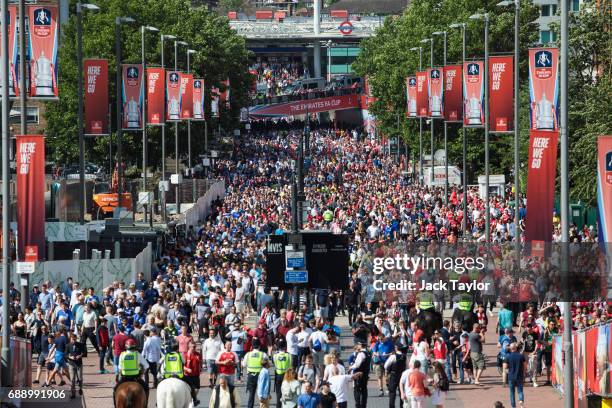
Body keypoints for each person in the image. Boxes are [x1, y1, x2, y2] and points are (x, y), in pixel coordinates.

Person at [244, 339, 269, 408]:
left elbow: (243, 364)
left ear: (252, 346)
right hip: (260, 375)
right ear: (259, 346)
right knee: (262, 393)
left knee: (251, 394)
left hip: (250, 376)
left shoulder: (248, 354)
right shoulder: (263, 354)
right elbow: (268, 364)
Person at [504, 343, 526, 408]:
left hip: (511, 377)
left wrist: (508, 371)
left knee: (512, 393)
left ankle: (513, 406)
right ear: (516, 348)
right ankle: (521, 400)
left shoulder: (507, 356)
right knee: (520, 390)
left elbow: (505, 367)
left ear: (510, 348)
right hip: (519, 376)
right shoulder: (521, 356)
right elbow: (525, 366)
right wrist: (524, 373)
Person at [384, 343, 407, 408]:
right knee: (401, 392)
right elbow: (406, 367)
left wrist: (389, 369)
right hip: (402, 375)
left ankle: (392, 406)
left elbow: (386, 366)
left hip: (394, 375)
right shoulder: (404, 356)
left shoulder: (393, 356)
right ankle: (402, 406)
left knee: (392, 392)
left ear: (396, 348)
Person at [349, 342, 370, 408]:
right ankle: (364, 405)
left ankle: (358, 405)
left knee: (357, 390)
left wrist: (351, 367)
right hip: (365, 374)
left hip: (359, 374)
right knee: (364, 390)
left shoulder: (361, 354)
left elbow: (357, 364)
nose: (357, 345)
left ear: (361, 345)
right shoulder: (368, 353)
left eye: (358, 344)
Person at [273, 340, 293, 408]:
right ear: (285, 347)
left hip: (278, 375)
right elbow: (291, 365)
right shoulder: (288, 355)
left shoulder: (275, 355)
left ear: (278, 347)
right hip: (287, 376)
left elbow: (275, 365)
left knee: (278, 393)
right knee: (287, 393)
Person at [66, 333, 85, 399]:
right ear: (70, 339)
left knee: (80, 378)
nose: (73, 341)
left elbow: (84, 352)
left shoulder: (80, 345)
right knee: (72, 379)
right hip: (71, 364)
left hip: (79, 363)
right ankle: (73, 393)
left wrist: (79, 356)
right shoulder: (68, 345)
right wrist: (69, 357)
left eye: (74, 339)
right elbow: (65, 354)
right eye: (72, 339)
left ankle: (80, 388)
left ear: (76, 339)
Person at [184, 341, 202, 406]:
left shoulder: (198, 354)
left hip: (196, 375)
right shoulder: (185, 354)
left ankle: (192, 398)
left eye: (194, 347)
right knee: (190, 389)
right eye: (191, 346)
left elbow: (200, 362)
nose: (193, 348)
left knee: (197, 389)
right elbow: (181, 366)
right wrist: (187, 369)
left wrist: (200, 368)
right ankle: (191, 401)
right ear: (189, 346)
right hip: (188, 375)